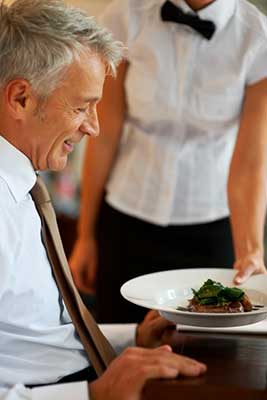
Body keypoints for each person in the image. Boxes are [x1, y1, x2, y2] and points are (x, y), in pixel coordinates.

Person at [0, 0, 207, 399]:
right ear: (21, 98)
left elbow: (39, 338)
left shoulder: (24, 185)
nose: (94, 127)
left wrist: (131, 338)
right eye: (82, 106)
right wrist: (92, 395)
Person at [70, 0, 267, 323]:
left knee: (204, 357)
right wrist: (86, 235)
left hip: (210, 230)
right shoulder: (125, 18)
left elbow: (250, 161)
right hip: (125, 221)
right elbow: (103, 137)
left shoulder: (257, 39)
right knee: (120, 345)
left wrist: (251, 251)